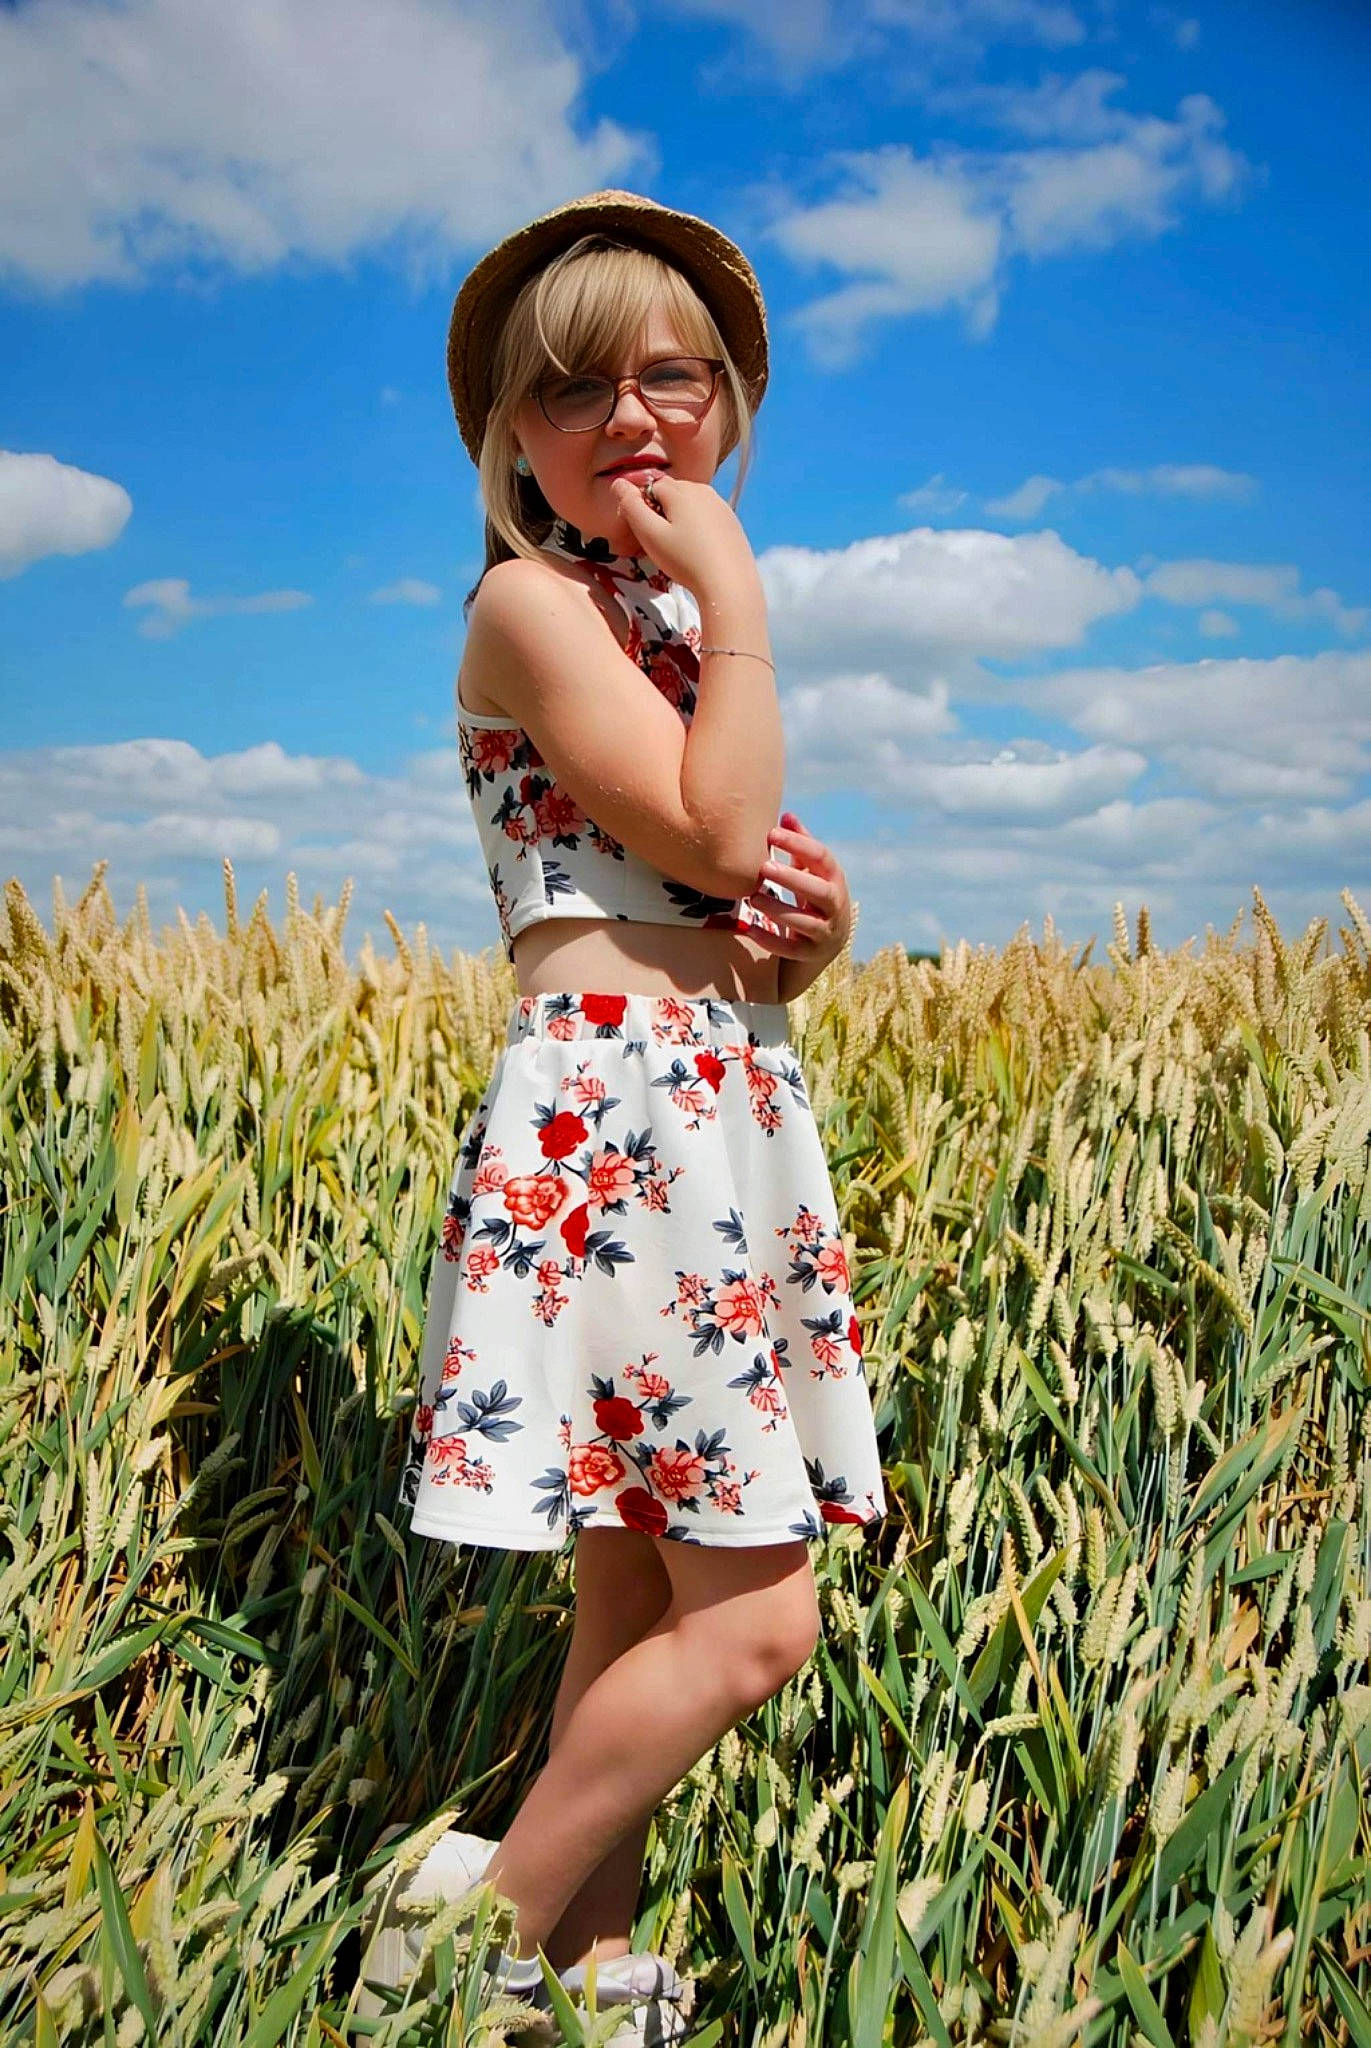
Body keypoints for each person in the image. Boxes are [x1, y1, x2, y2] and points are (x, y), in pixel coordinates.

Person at [373, 189, 888, 2032]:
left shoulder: (666, 630)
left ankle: (585, 1987)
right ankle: (450, 1959)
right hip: (624, 1135)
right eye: (578, 389)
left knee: (628, 1614)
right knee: (758, 1623)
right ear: (515, 440)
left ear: (730, 400)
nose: (634, 416)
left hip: (718, 1108)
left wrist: (808, 948)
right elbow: (714, 828)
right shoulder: (533, 603)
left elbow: (720, 893)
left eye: (673, 374)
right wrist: (742, 595)